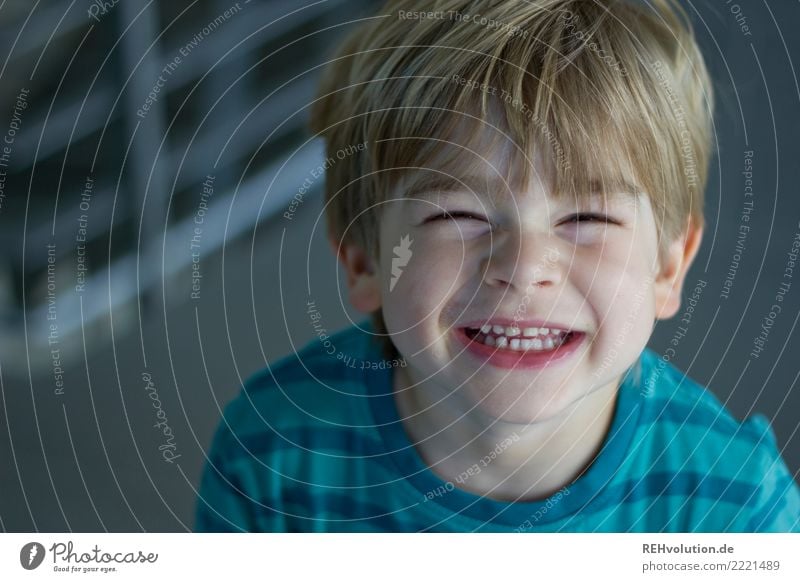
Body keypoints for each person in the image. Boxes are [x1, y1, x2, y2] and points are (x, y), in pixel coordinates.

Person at [195, 0, 800, 532]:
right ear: (363, 260)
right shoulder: (269, 453)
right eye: (457, 214)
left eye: (587, 218)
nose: (524, 266)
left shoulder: (739, 509)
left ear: (668, 267)